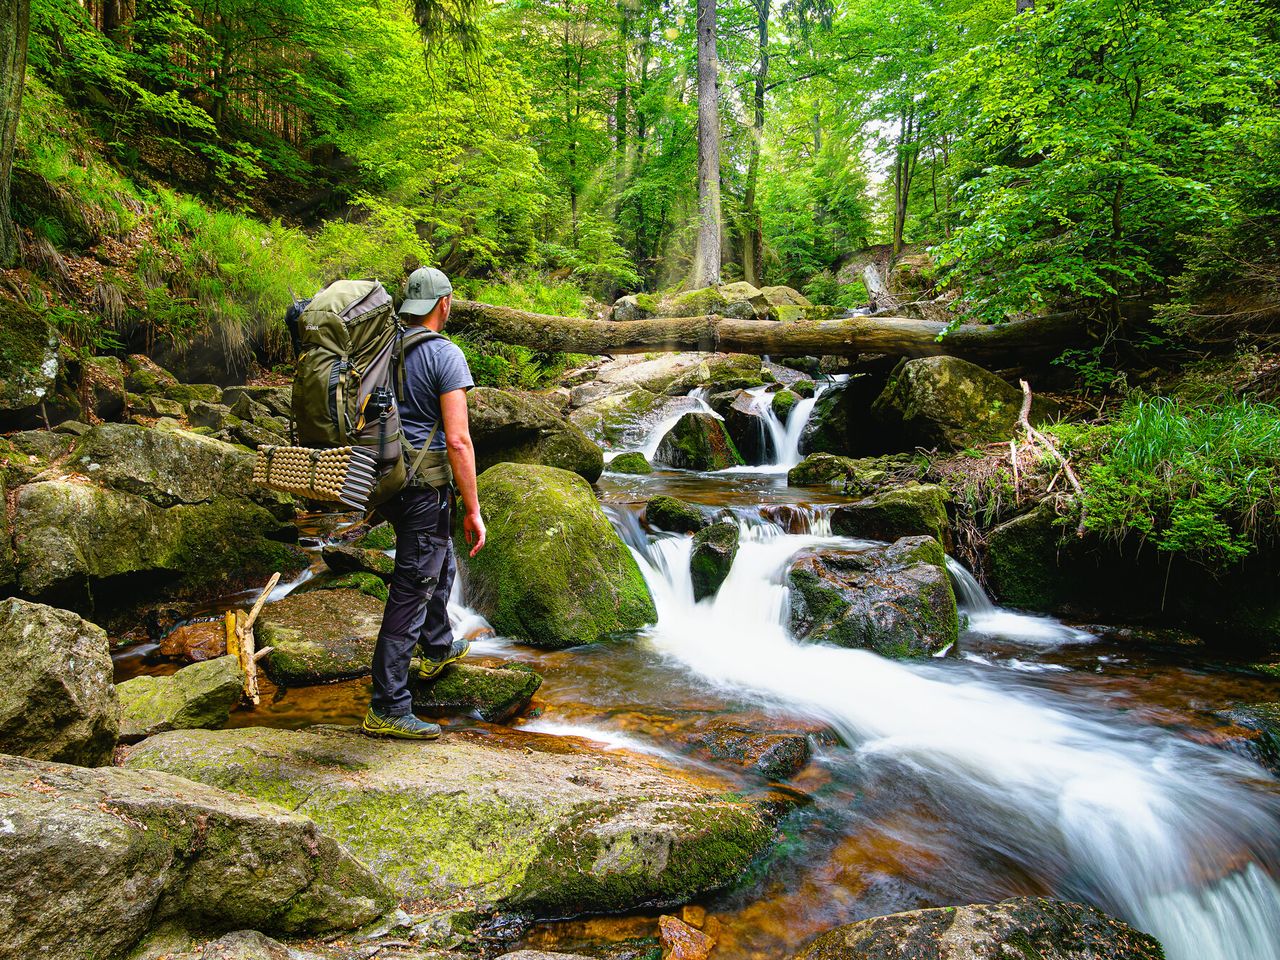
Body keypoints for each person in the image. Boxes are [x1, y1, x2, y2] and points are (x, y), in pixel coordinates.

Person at [362, 266, 486, 740]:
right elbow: (458, 441)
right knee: (412, 587)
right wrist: (473, 509)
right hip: (423, 485)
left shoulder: (383, 348)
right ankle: (388, 705)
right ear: (445, 304)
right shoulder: (445, 355)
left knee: (436, 560)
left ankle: (436, 649)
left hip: (386, 479)